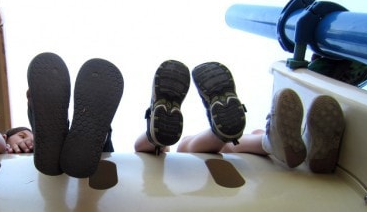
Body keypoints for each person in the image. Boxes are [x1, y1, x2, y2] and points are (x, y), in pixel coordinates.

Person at [135, 60, 345, 174]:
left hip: (240, 157)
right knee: (188, 147)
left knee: (178, 147)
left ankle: (156, 134)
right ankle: (314, 154)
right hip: (257, 158)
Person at [26, 52, 123, 178]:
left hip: (45, 164)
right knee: (95, 134)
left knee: (47, 130)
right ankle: (100, 134)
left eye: (23, 136)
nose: (23, 140)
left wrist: (18, 135)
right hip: (94, 164)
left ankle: (42, 117)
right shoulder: (11, 143)